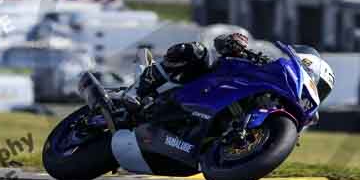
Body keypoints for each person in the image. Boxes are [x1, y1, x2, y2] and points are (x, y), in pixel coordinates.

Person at [121, 33, 335, 114]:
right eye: (317, 83)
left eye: (322, 91)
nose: (317, 91)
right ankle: (138, 89)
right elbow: (220, 44)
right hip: (204, 83)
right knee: (196, 51)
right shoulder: (270, 67)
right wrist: (235, 44)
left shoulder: (299, 118)